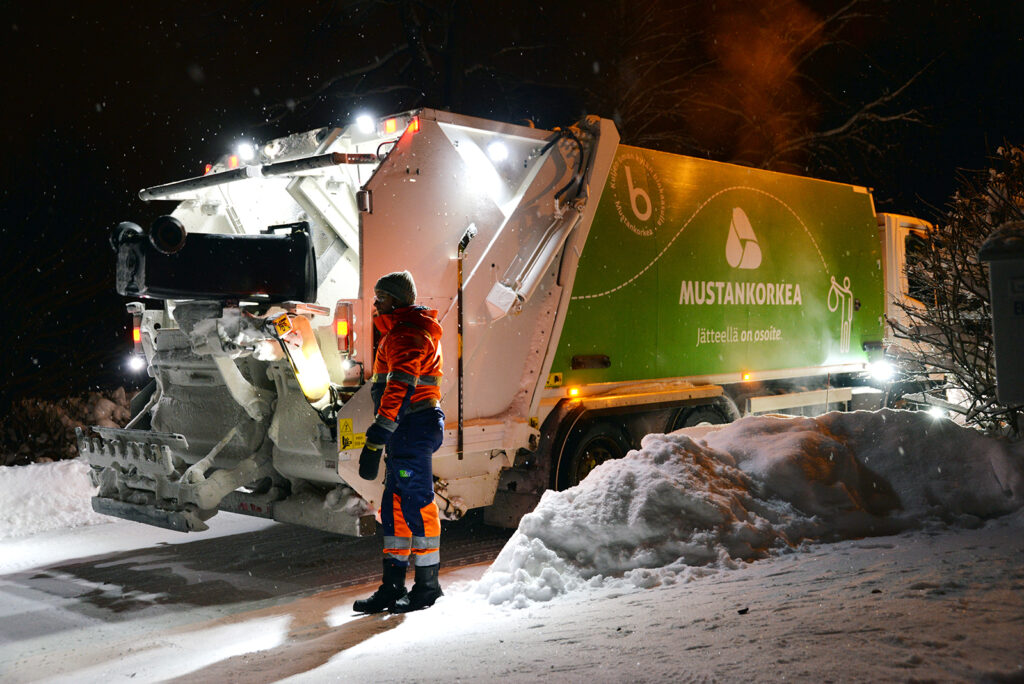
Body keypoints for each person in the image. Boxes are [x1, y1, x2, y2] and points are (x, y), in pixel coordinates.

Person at [354, 270, 446, 614]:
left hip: (411, 427)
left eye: (381, 297)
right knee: (395, 507)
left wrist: (379, 434)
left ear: (396, 299)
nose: (376, 303)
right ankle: (392, 587)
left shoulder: (407, 334)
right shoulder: (398, 330)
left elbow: (400, 389)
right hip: (407, 428)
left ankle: (426, 587)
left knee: (416, 505)